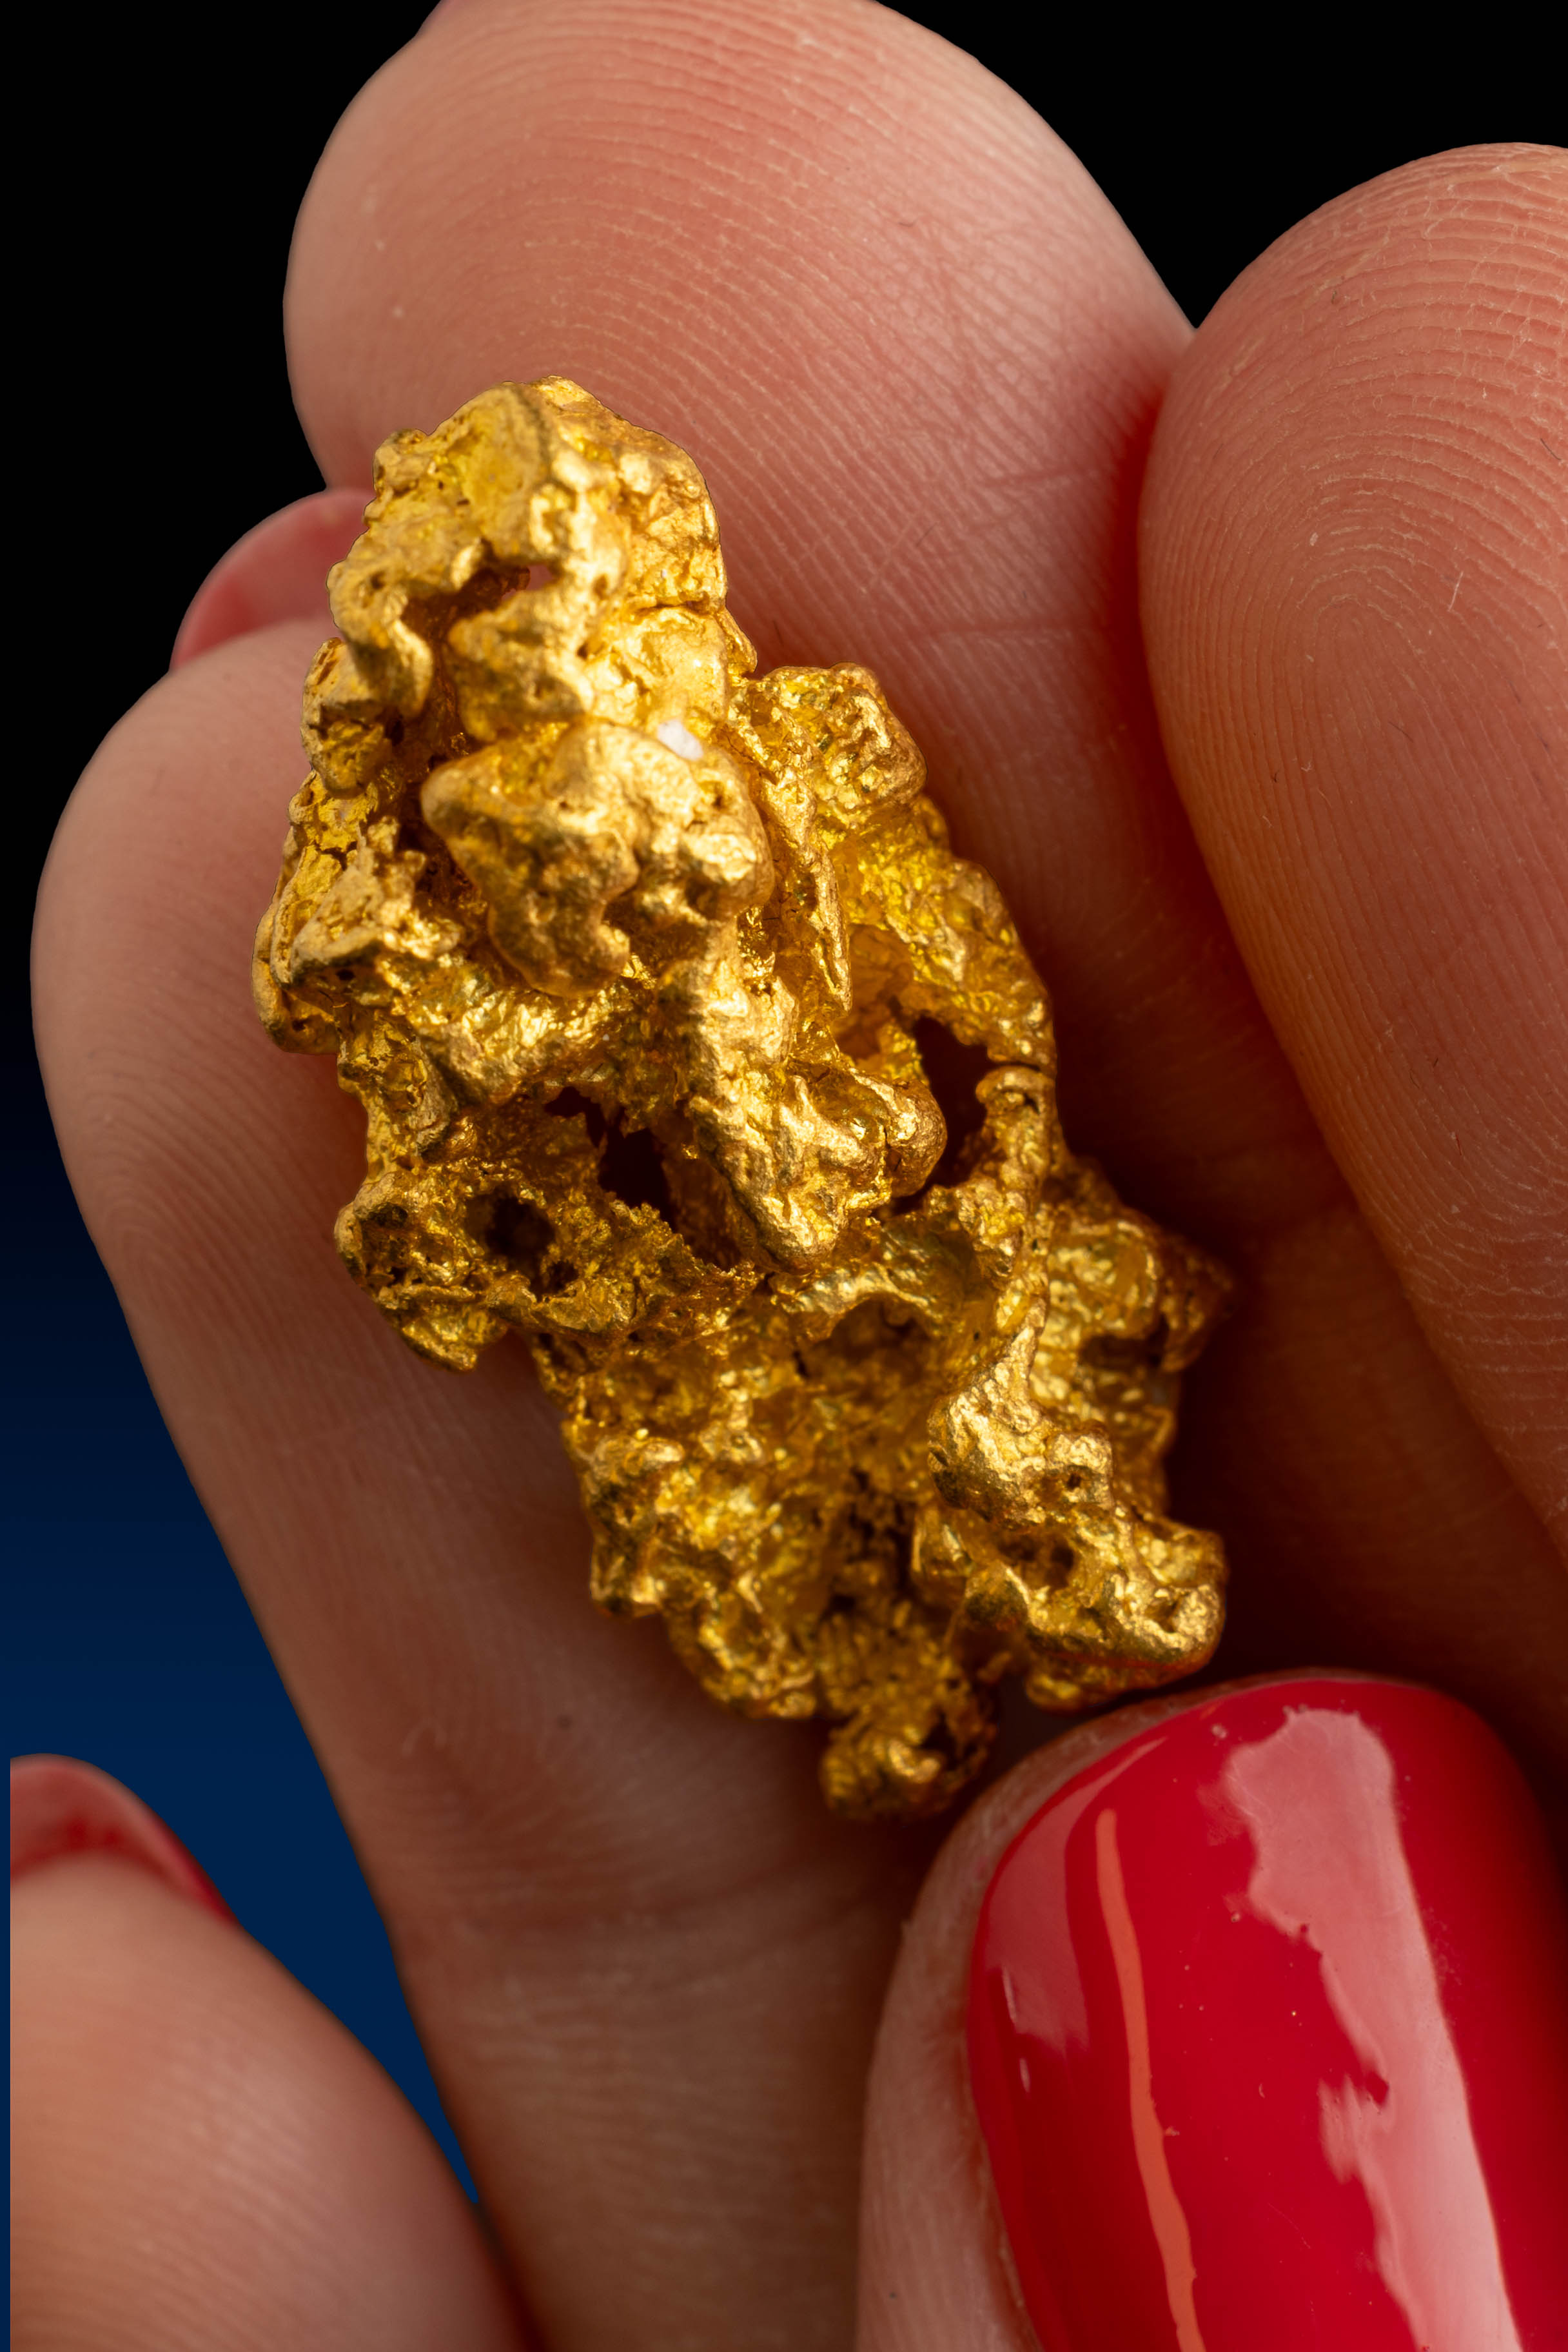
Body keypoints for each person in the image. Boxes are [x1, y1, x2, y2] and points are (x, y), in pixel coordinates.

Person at [12, 3, 1566, 2344]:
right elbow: (436, 1175)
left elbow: (946, 974)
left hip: (916, 1293)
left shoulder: (792, 785)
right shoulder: (440, 904)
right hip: (790, 1379)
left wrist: (981, 1141)